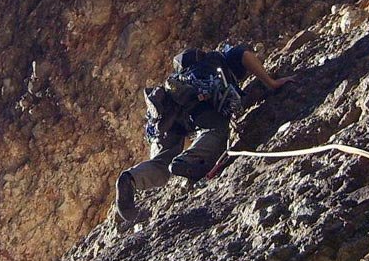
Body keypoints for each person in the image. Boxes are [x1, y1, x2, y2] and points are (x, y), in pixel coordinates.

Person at [115, 43, 295, 221]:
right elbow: (244, 54)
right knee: (216, 130)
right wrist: (271, 82)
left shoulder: (178, 80)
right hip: (199, 104)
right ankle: (188, 160)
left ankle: (131, 178)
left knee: (161, 162)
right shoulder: (220, 59)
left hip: (171, 114)